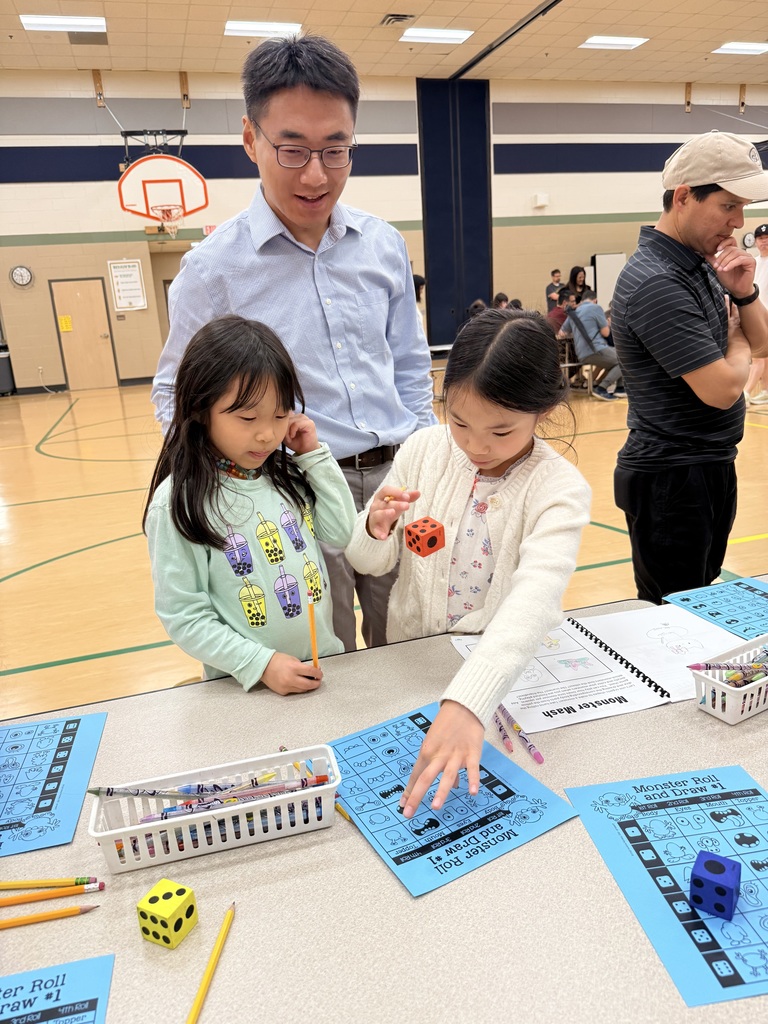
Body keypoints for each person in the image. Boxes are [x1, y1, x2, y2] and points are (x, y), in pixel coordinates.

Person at [150, 35, 435, 653]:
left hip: (398, 477)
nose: (316, 174)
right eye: (293, 149)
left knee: (409, 642)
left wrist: (426, 452)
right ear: (250, 139)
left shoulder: (383, 244)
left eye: (336, 149)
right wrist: (230, 479)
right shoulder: (212, 270)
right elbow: (174, 390)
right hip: (294, 487)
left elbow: (411, 363)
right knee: (324, 657)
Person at [345, 308, 591, 816]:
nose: (476, 445)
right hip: (411, 662)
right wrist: (373, 527)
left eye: (501, 431)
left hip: (495, 678)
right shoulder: (423, 449)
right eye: (459, 422)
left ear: (543, 411)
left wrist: (468, 701)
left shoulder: (559, 489)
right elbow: (368, 564)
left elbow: (535, 599)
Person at [143, 315, 357, 694]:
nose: (267, 434)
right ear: (200, 408)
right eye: (247, 417)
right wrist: (260, 664)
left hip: (320, 667)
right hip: (247, 687)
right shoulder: (181, 503)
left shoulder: (285, 475)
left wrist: (313, 455)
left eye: (280, 415)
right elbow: (184, 615)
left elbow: (341, 532)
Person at [612, 130, 768, 604]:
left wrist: (744, 294)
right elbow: (722, 389)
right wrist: (736, 340)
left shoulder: (700, 265)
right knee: (672, 615)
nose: (739, 222)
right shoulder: (657, 281)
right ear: (683, 198)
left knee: (697, 602)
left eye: (743, 208)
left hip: (708, 465)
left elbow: (763, 344)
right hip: (672, 477)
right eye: (728, 206)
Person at [560, 289, 625, 401]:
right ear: (595, 300)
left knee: (616, 359)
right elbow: (606, 332)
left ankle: (620, 388)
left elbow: (562, 333)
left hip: (581, 353)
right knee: (623, 359)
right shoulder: (596, 308)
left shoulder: (574, 313)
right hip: (595, 348)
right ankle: (602, 388)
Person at [745, 223, 768, 403]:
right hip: (755, 314)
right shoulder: (753, 262)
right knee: (763, 357)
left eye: (767, 238)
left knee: (759, 356)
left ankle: (745, 393)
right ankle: (766, 390)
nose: (764, 242)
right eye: (761, 238)